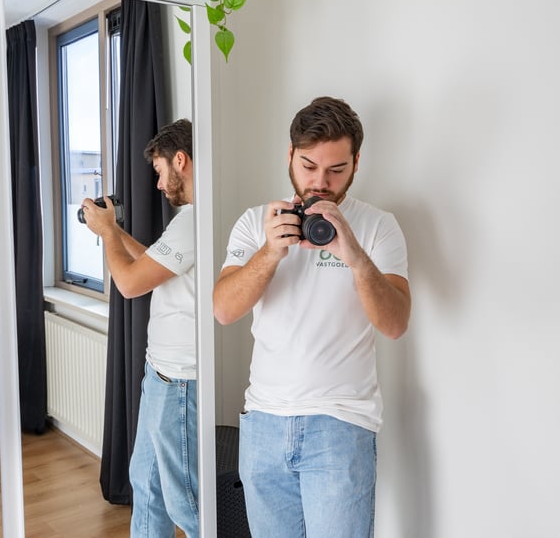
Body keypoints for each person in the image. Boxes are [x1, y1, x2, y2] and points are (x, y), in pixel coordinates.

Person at [213, 96, 412, 537]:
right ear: (289, 156)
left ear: (356, 163)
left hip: (341, 426)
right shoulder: (255, 223)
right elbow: (224, 309)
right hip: (263, 422)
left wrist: (354, 256)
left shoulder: (379, 227)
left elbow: (396, 323)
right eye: (308, 166)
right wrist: (270, 253)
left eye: (336, 170)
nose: (320, 182)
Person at [80, 119, 198, 538]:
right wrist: (116, 231)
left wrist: (107, 233)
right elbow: (152, 262)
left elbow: (129, 284)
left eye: (160, 171)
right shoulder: (187, 223)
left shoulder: (193, 221)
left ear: (179, 160)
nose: (159, 183)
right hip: (162, 375)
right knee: (146, 485)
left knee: (188, 503)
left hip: (181, 381)